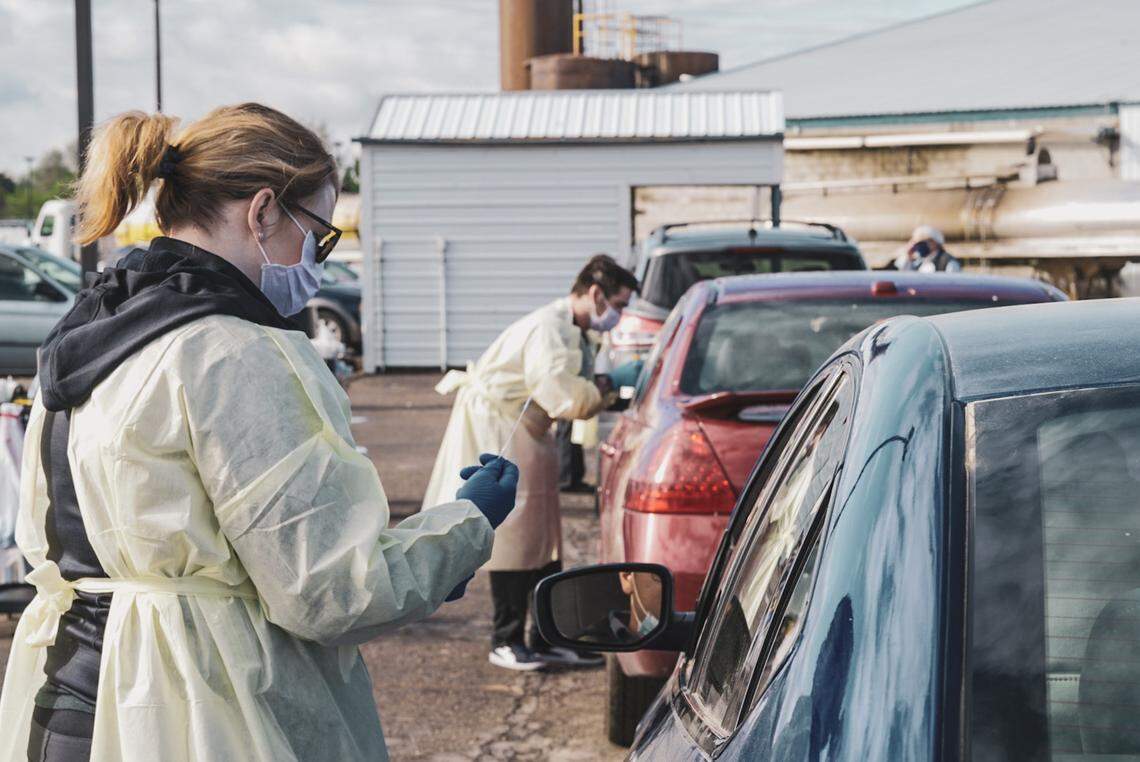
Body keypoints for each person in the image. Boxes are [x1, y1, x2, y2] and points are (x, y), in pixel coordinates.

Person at [0, 104, 519, 762]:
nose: (318, 262)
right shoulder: (238, 350)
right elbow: (329, 590)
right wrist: (464, 526)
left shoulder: (92, 327)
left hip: (67, 693)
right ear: (265, 211)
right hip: (190, 710)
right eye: (320, 236)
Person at [422, 254, 642, 671]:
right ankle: (506, 638)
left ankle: (545, 636)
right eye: (620, 303)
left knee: (543, 540)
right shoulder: (550, 328)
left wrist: (602, 385)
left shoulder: (571, 329)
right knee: (513, 539)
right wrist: (608, 386)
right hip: (504, 430)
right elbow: (564, 395)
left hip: (532, 431)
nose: (620, 314)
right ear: (596, 294)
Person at [891, 225, 962, 272]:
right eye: (916, 243)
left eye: (922, 242)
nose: (919, 246)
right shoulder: (918, 261)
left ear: (934, 243)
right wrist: (908, 256)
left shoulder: (948, 262)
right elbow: (902, 274)